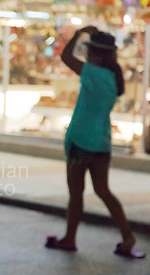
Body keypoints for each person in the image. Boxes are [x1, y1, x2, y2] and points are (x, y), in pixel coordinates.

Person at [45, 26, 145, 259]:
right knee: (103, 190)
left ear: (99, 54)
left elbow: (66, 57)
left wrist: (79, 32)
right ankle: (127, 236)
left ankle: (70, 238)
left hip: (81, 140)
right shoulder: (113, 79)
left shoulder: (92, 73)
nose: (87, 54)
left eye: (90, 50)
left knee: (76, 193)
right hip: (101, 142)